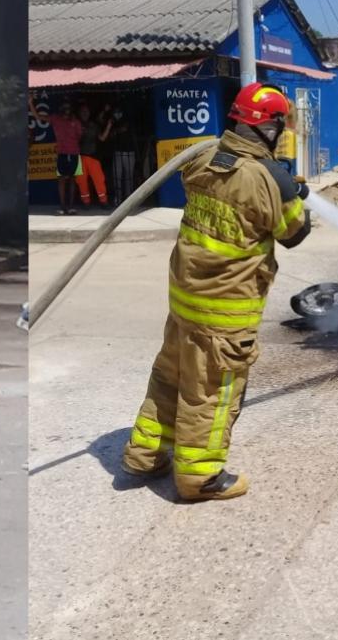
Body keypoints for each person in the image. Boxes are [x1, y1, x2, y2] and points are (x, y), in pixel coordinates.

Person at [120, 82, 311, 501]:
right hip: (226, 311)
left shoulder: (204, 158)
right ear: (269, 127)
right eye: (281, 125)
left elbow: (234, 194)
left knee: (170, 375)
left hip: (185, 299)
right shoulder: (268, 178)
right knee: (212, 391)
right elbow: (295, 233)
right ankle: (199, 476)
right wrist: (292, 193)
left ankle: (145, 454)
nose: (283, 133)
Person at [29, 95, 82, 215]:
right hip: (62, 153)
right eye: (64, 107)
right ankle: (63, 207)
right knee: (62, 180)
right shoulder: (55, 119)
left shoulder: (75, 121)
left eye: (68, 107)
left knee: (73, 180)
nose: (66, 109)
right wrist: (30, 103)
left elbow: (79, 136)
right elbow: (37, 116)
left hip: (74, 153)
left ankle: (71, 206)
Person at [75, 103, 112, 206]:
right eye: (82, 111)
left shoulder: (94, 125)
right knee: (81, 182)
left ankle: (104, 201)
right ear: (79, 113)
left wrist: (109, 126)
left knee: (99, 180)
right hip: (80, 157)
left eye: (86, 111)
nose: (85, 113)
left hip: (93, 156)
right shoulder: (75, 124)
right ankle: (85, 202)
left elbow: (102, 138)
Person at [107, 105, 137, 206]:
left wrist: (116, 130)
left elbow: (124, 128)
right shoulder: (112, 123)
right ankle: (118, 199)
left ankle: (129, 199)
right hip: (117, 152)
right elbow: (110, 135)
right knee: (117, 177)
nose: (117, 114)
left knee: (129, 177)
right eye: (115, 112)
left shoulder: (128, 121)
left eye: (119, 112)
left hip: (130, 152)